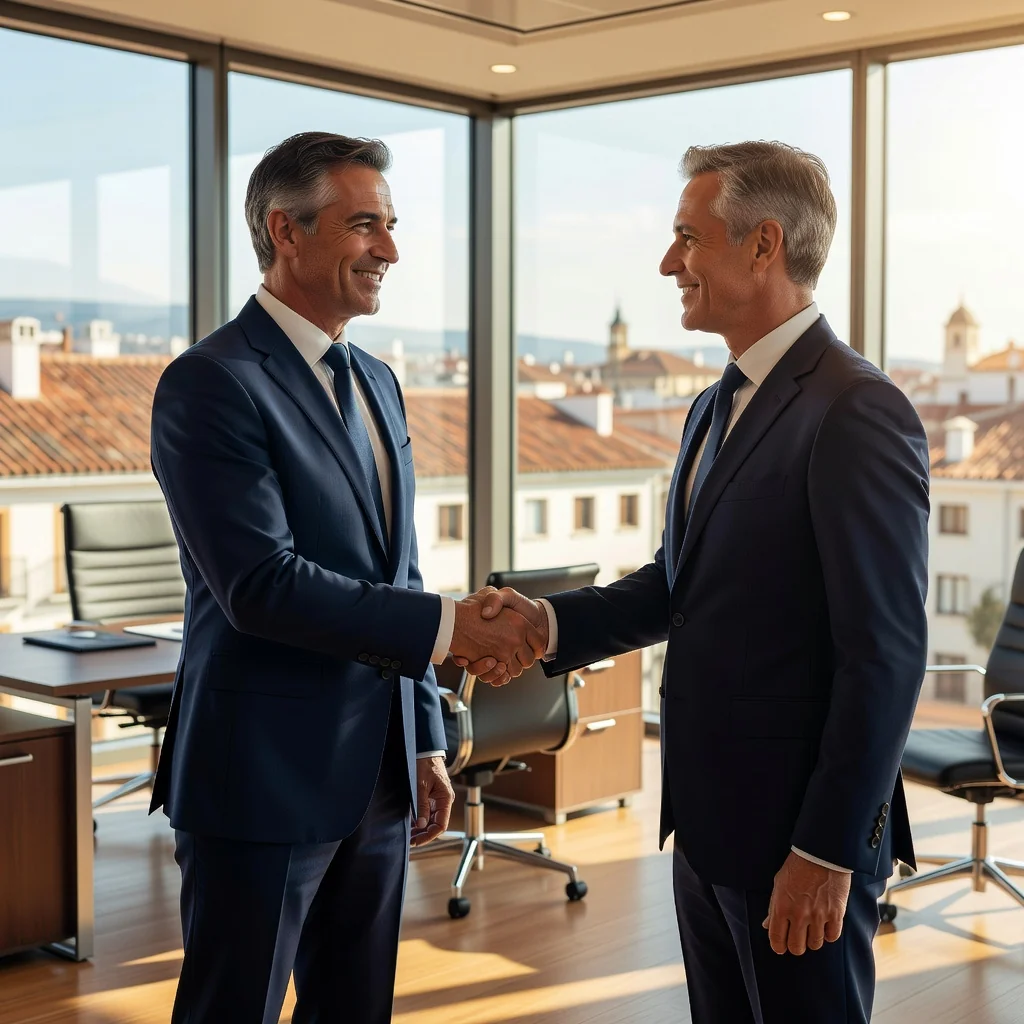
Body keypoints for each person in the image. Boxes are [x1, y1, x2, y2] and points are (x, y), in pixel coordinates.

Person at [465, 141, 929, 1023]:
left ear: (763, 246)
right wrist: (543, 624)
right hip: (708, 827)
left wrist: (826, 852)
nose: (668, 261)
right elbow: (677, 586)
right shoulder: (714, 404)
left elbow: (888, 658)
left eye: (688, 236)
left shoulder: (857, 409)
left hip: (799, 842)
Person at [149, 131, 542, 1024]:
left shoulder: (378, 381)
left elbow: (392, 567)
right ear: (285, 231)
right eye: (366, 225)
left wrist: (425, 739)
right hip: (261, 776)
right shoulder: (211, 383)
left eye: (392, 225)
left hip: (379, 776)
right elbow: (261, 585)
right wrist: (450, 630)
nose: (391, 251)